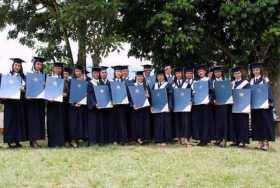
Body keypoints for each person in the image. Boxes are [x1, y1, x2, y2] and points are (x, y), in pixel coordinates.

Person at [2, 58, 27, 148]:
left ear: (21, 67)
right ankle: (10, 141)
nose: (17, 67)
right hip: (10, 103)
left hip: (19, 103)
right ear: (13, 66)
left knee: (18, 122)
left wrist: (23, 89)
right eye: (16, 65)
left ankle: (17, 140)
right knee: (10, 121)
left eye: (19, 66)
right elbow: (3, 89)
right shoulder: (7, 76)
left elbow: (26, 90)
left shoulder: (23, 77)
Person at [250, 63, 275, 151]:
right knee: (257, 123)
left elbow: (269, 91)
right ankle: (259, 142)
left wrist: (269, 102)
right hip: (255, 106)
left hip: (264, 106)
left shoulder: (265, 79)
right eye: (254, 70)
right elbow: (250, 93)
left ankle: (266, 143)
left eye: (257, 70)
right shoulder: (252, 81)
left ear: (260, 70)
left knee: (265, 124)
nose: (255, 71)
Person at [25, 57, 46, 148]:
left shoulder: (43, 76)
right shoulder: (29, 75)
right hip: (32, 101)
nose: (39, 66)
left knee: (39, 121)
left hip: (40, 101)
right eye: (37, 64)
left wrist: (45, 85)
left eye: (40, 64)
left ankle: (36, 140)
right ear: (34, 65)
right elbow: (26, 87)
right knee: (33, 121)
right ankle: (32, 141)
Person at [192, 64, 214, 146]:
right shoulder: (196, 82)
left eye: (202, 71)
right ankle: (201, 138)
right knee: (200, 122)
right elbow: (193, 93)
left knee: (206, 122)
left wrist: (210, 100)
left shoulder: (208, 80)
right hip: (198, 105)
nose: (200, 72)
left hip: (206, 105)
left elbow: (212, 92)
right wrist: (193, 100)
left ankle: (205, 139)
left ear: (205, 72)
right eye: (199, 71)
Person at [68, 64, 88, 147]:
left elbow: (87, 93)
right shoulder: (71, 81)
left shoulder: (85, 82)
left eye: (79, 71)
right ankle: (73, 140)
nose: (77, 72)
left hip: (82, 106)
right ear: (74, 72)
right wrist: (74, 103)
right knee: (74, 123)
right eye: (76, 71)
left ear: (81, 72)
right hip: (73, 106)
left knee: (81, 123)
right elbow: (69, 93)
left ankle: (79, 139)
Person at [212, 65, 232, 147]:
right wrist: (213, 100)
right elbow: (210, 93)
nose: (217, 73)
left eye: (219, 72)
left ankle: (224, 139)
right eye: (216, 72)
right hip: (215, 105)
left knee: (224, 122)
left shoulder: (226, 81)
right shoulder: (212, 82)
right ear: (214, 73)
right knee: (217, 122)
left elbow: (229, 92)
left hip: (224, 105)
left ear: (221, 72)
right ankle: (218, 138)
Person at [172, 67, 193, 145]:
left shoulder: (187, 84)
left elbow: (190, 95)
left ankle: (186, 137)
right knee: (177, 121)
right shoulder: (172, 84)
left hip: (185, 106)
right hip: (176, 106)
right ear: (175, 74)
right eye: (177, 73)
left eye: (179, 73)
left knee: (185, 121)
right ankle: (179, 137)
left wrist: (191, 101)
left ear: (182, 74)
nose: (178, 75)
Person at [46, 62, 65, 147]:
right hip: (51, 104)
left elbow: (66, 92)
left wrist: (65, 94)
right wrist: (48, 99)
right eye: (56, 68)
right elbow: (45, 91)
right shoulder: (49, 78)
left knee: (60, 123)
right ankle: (52, 143)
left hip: (60, 105)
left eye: (60, 68)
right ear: (53, 69)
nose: (58, 70)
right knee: (52, 123)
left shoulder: (63, 79)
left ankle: (60, 142)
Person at [129, 71, 151, 144]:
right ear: (136, 77)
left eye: (141, 76)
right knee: (137, 123)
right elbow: (130, 97)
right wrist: (132, 105)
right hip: (136, 108)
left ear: (143, 77)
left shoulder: (146, 86)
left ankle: (144, 137)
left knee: (144, 122)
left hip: (144, 107)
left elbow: (149, 97)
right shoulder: (133, 85)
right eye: (138, 76)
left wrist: (148, 96)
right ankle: (138, 138)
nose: (140, 78)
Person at [152, 69, 173, 145]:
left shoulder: (168, 85)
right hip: (157, 108)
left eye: (161, 75)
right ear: (156, 77)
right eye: (158, 76)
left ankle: (165, 139)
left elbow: (170, 96)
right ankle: (158, 139)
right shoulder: (154, 85)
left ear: (164, 76)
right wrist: (152, 106)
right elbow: (152, 97)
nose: (160, 77)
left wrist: (169, 107)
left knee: (165, 123)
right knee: (158, 123)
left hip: (165, 107)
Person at [231, 66, 250, 147]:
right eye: (235, 73)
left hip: (243, 106)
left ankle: (243, 140)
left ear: (241, 73)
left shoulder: (245, 83)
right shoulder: (231, 83)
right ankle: (236, 140)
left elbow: (247, 94)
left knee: (243, 123)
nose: (237, 75)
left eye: (238, 73)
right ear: (233, 75)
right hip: (234, 106)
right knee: (235, 123)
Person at [111, 66, 128, 144]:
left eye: (120, 72)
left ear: (121, 73)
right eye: (117, 72)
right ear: (114, 73)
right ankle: (115, 139)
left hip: (122, 105)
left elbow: (127, 93)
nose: (118, 73)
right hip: (114, 106)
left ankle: (123, 139)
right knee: (114, 122)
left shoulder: (124, 82)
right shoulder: (111, 82)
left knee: (122, 122)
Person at [98, 66, 114, 144]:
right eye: (102, 73)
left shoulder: (110, 83)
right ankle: (102, 140)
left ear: (107, 74)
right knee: (102, 124)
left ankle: (110, 139)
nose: (104, 74)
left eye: (105, 72)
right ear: (100, 74)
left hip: (110, 107)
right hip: (101, 107)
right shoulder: (97, 83)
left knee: (110, 124)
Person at [87, 66, 101, 145]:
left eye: (97, 73)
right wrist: (95, 104)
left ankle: (99, 139)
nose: (96, 74)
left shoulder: (100, 83)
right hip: (93, 107)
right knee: (92, 124)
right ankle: (92, 141)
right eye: (94, 73)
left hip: (100, 107)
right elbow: (89, 95)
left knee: (99, 124)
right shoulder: (90, 83)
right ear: (92, 74)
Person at [63, 66, 72, 145]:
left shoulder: (70, 82)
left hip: (69, 104)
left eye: (67, 74)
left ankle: (68, 139)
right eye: (64, 73)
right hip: (62, 104)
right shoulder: (60, 81)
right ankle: (64, 139)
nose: (65, 75)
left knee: (68, 122)